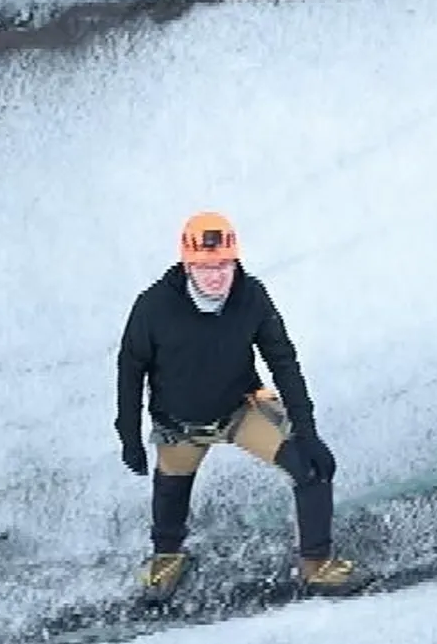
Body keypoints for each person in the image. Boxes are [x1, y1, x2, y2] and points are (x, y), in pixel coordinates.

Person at [115, 210, 365, 599]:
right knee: (170, 493)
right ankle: (167, 557)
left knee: (311, 468)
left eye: (224, 265)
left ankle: (316, 565)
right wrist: (129, 436)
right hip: (180, 423)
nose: (216, 276)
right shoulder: (153, 307)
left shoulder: (252, 296)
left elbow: (283, 361)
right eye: (205, 267)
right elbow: (130, 371)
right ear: (187, 265)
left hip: (240, 409)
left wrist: (307, 431)